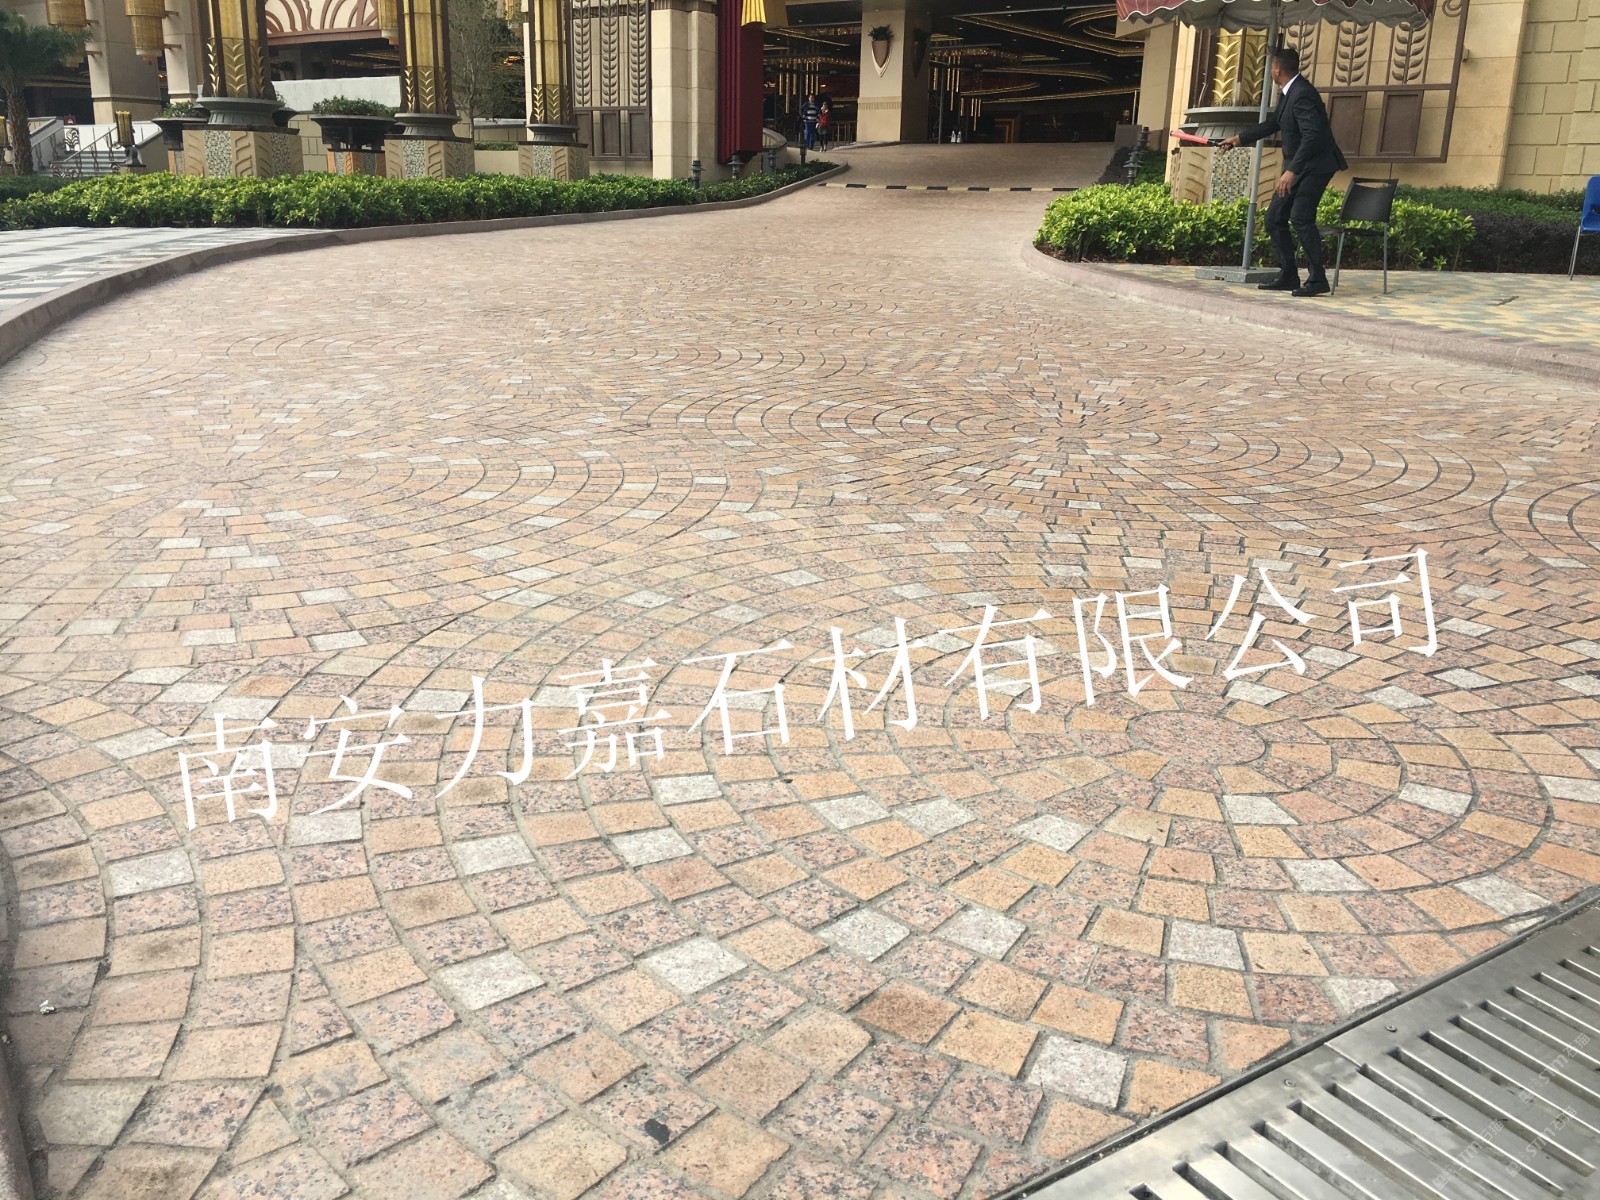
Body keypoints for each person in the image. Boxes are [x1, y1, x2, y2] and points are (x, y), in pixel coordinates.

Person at [1220, 46, 1348, 298]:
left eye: (1271, 67)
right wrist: (1238, 139)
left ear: (1277, 69)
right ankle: (1288, 274)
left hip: (1316, 167)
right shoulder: (1289, 93)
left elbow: (1312, 136)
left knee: (1301, 217)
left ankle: (1318, 279)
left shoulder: (1302, 94)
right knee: (1274, 218)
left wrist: (1291, 171)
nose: (1270, 71)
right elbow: (1272, 124)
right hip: (1301, 167)